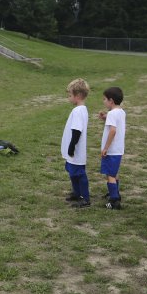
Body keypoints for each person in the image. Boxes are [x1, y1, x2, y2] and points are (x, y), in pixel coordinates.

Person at [62, 78, 90, 208]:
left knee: (78, 173)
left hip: (76, 150)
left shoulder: (78, 111)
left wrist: (72, 146)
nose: (69, 98)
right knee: (72, 171)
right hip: (74, 150)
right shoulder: (81, 109)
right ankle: (76, 192)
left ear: (78, 95)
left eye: (70, 95)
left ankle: (85, 198)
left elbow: (77, 130)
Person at [98, 87, 126, 210]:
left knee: (110, 174)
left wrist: (106, 148)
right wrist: (105, 118)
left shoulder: (112, 114)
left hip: (112, 150)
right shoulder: (121, 112)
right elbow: (116, 123)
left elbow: (113, 131)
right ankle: (115, 194)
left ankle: (114, 201)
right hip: (119, 149)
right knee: (114, 173)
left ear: (111, 101)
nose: (103, 102)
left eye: (104, 99)